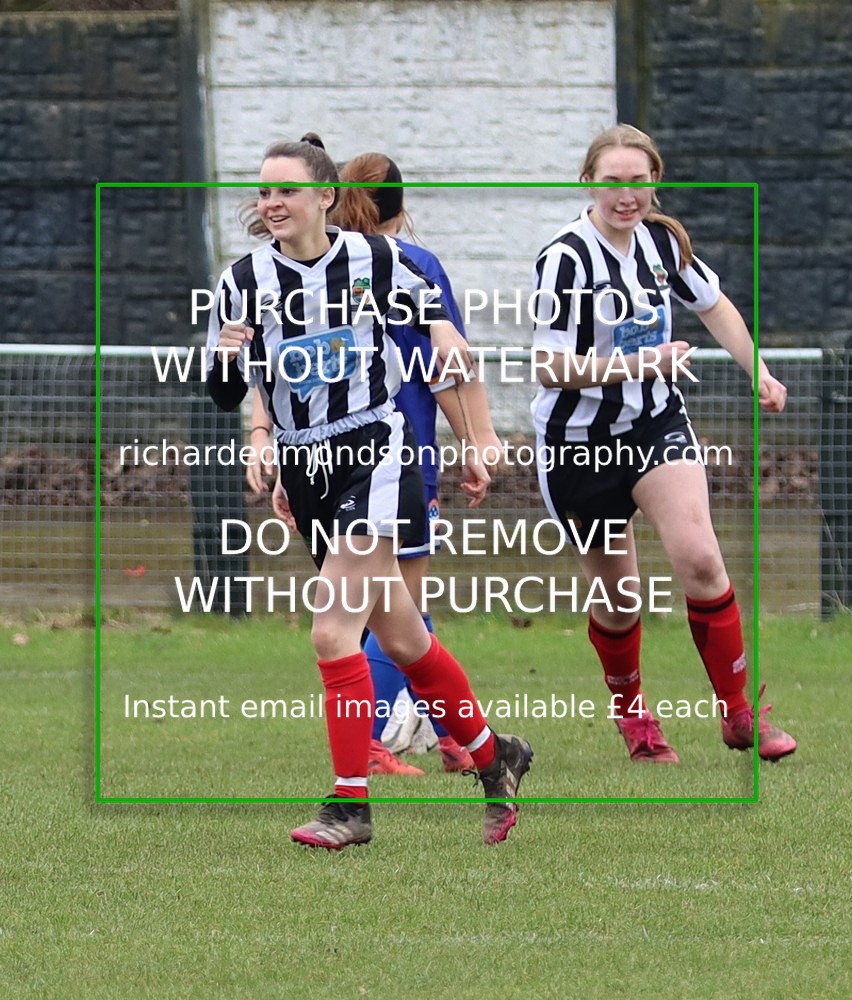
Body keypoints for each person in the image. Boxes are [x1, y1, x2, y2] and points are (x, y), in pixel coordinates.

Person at [207, 133, 532, 849]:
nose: (272, 202)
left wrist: (445, 341)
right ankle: (496, 756)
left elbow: (434, 310)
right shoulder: (242, 281)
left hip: (375, 452)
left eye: (287, 189)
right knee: (405, 637)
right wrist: (233, 365)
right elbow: (225, 389)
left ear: (325, 196)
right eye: (264, 190)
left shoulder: (376, 259)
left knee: (332, 630)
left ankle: (349, 805)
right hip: (307, 467)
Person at [530, 123, 796, 764]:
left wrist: (757, 371)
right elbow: (549, 366)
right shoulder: (564, 258)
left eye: (639, 181)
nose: (627, 195)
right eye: (613, 182)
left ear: (655, 181)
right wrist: (640, 363)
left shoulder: (662, 242)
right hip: (576, 444)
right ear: (589, 182)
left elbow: (715, 305)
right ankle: (634, 717)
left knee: (701, 559)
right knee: (620, 603)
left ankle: (739, 714)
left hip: (655, 424)